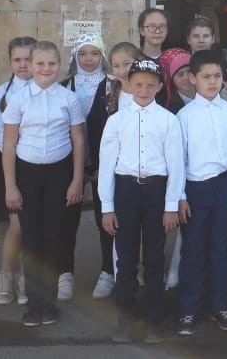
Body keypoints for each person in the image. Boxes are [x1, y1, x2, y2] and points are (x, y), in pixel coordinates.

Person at [98, 59, 184, 344]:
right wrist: (107, 207)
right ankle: (126, 316)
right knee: (126, 257)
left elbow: (176, 165)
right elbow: (107, 166)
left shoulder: (169, 121)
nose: (144, 90)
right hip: (126, 191)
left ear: (160, 87)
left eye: (150, 85)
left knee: (154, 257)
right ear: (128, 84)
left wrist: (171, 206)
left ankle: (154, 319)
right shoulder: (116, 121)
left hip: (156, 191)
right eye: (138, 84)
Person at [2, 41, 86, 328]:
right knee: (31, 237)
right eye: (40, 64)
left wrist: (76, 180)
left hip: (59, 173)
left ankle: (48, 303)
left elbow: (78, 140)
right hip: (27, 173)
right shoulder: (18, 99)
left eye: (51, 64)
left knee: (54, 235)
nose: (46, 69)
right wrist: (10, 186)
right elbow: (9, 144)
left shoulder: (69, 99)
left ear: (59, 65)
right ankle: (34, 303)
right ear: (30, 66)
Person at [174, 51, 227, 336]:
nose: (212, 82)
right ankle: (188, 308)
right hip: (195, 189)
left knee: (222, 248)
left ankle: (221, 305)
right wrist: (180, 196)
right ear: (193, 79)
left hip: (226, 185)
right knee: (193, 250)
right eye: (206, 77)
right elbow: (179, 161)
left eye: (217, 76)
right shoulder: (184, 116)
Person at [83, 42, 145, 301]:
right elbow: (94, 128)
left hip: (141, 171)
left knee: (140, 225)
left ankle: (138, 270)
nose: (122, 70)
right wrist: (96, 167)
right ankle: (108, 270)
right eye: (116, 65)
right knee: (108, 222)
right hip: (110, 171)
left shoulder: (147, 88)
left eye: (127, 64)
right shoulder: (107, 90)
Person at [58, 32, 108, 301]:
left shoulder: (113, 86)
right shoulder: (64, 86)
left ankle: (108, 271)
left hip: (105, 165)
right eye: (83, 53)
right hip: (70, 164)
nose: (89, 59)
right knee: (67, 221)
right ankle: (64, 273)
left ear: (103, 56)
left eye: (95, 53)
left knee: (106, 219)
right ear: (75, 56)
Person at [0, 36, 37, 306]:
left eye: (27, 59)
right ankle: (7, 273)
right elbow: (0, 134)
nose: (23, 65)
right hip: (14, 165)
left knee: (35, 227)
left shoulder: (47, 88)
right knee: (17, 225)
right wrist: (17, 158)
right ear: (10, 62)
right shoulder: (2, 93)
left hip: (40, 167)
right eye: (17, 60)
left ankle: (27, 277)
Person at [159, 48, 195, 114]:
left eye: (189, 71)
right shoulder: (169, 108)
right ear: (171, 79)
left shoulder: (208, 94)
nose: (186, 77)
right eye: (180, 75)